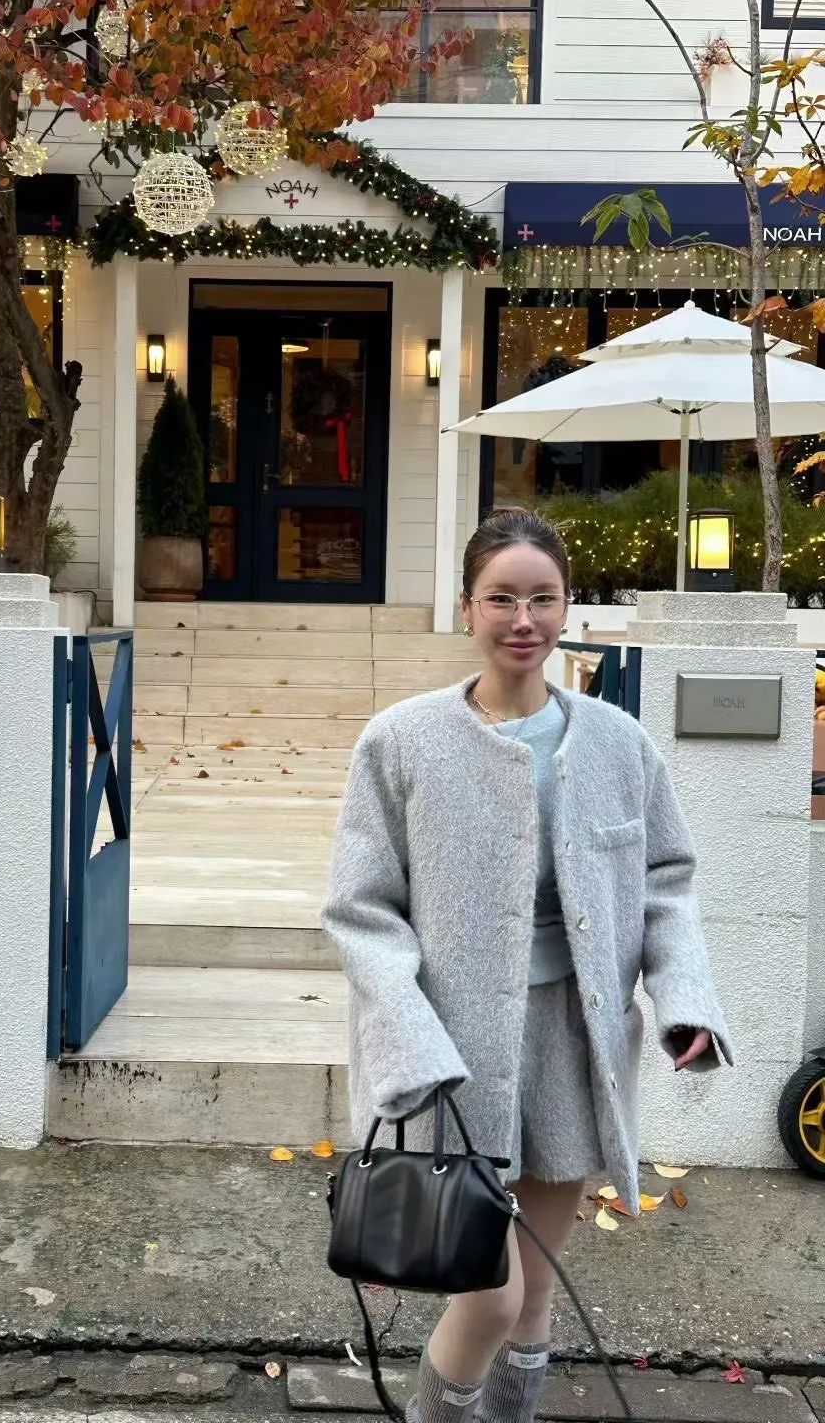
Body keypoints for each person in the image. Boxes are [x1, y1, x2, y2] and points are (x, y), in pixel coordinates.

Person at [322, 508, 732, 1423]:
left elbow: (666, 881)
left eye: (542, 598)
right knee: (492, 1297)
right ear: (468, 606)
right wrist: (409, 1038)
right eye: (501, 598)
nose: (523, 619)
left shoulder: (620, 743)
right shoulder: (402, 741)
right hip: (451, 1055)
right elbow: (360, 910)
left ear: (566, 607)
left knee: (537, 1293)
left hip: (574, 1045)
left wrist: (685, 999)